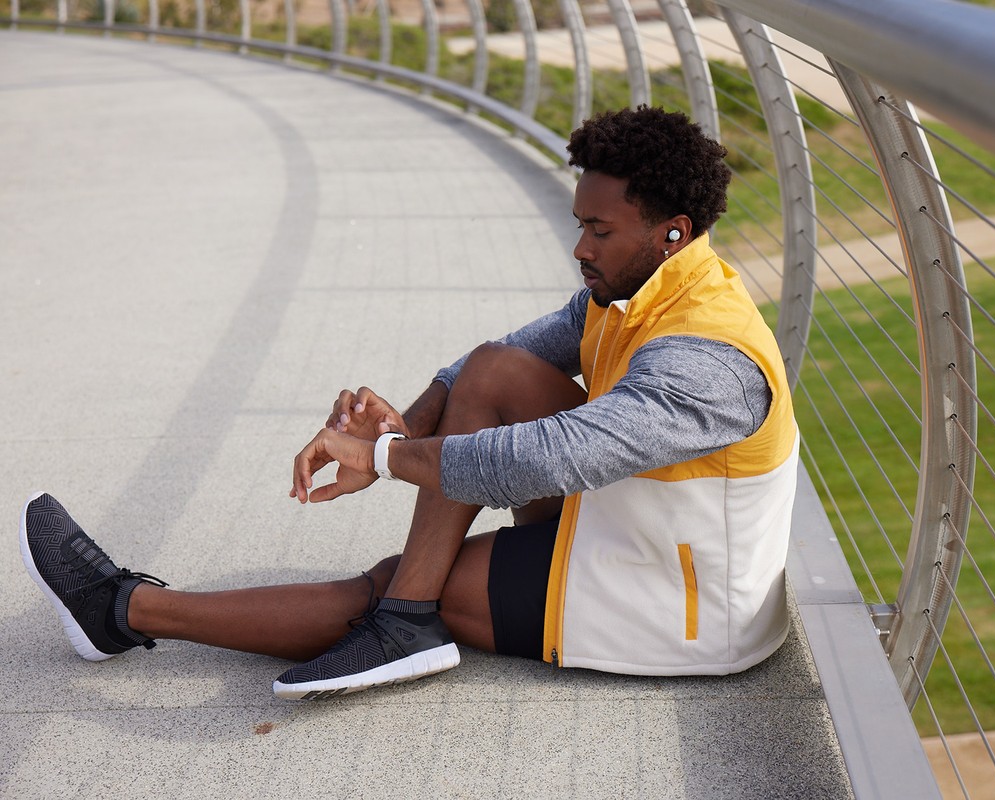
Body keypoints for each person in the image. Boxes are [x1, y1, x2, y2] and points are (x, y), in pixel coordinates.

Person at [20, 106, 799, 701]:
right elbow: (493, 364)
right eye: (579, 226)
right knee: (494, 371)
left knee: (389, 584)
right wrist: (407, 420)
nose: (580, 248)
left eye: (599, 230)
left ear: (673, 232)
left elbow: (547, 457)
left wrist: (384, 456)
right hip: (629, 529)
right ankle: (409, 616)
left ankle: (122, 610)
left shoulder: (707, 359)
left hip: (678, 606)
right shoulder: (639, 288)